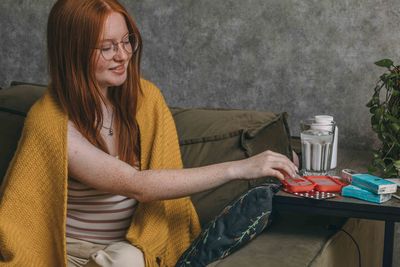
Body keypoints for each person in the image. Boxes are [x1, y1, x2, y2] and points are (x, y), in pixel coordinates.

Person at [0, 0, 298, 266]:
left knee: (128, 257)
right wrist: (239, 168)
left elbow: (161, 185)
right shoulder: (51, 122)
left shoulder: (146, 100)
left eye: (126, 40)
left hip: (129, 245)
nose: (122, 55)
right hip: (71, 255)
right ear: (72, 53)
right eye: (107, 47)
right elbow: (136, 184)